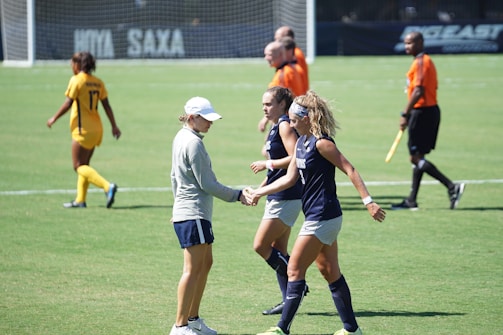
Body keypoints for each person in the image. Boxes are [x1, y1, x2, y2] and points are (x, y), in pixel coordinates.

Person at [246, 90, 386, 335]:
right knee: (329, 271)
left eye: (293, 119)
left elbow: (350, 169)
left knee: (294, 269)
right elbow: (290, 179)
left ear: (306, 118)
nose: (289, 123)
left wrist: (369, 202)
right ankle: (352, 330)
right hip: (318, 215)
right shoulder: (301, 142)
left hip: (324, 216)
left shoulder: (323, 143)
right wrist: (261, 192)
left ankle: (282, 329)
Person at [170, 96, 249, 335]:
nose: (210, 123)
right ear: (192, 118)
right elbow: (208, 184)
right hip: (193, 214)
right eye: (206, 119)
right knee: (192, 269)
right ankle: (181, 325)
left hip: (192, 213)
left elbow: (174, 177)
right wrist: (237, 195)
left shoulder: (182, 137)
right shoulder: (193, 144)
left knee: (205, 263)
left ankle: (192, 320)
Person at [391, 31, 465, 210]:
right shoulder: (421, 61)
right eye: (406, 43)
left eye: (410, 43)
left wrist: (405, 114)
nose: (407, 46)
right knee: (419, 157)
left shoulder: (422, 62)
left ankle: (452, 186)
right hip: (426, 112)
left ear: (420, 43)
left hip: (423, 112)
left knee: (415, 158)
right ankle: (411, 200)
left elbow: (419, 90)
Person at [250, 87, 304, 316]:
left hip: (287, 196)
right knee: (278, 249)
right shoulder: (276, 126)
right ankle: (288, 299)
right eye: (263, 104)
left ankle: (297, 285)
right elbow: (275, 173)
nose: (264, 108)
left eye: (269, 104)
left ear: (283, 104)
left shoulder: (284, 125)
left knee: (260, 246)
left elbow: (295, 156)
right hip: (279, 193)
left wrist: (267, 164)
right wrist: (257, 191)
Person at [47, 51, 121, 209]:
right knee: (85, 164)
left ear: (78, 64)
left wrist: (54, 118)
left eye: (73, 63)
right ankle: (80, 200)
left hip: (83, 130)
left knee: (78, 166)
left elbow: (68, 103)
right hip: (97, 129)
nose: (71, 66)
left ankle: (108, 187)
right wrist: (114, 126)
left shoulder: (76, 81)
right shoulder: (98, 82)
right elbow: (106, 105)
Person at [259, 41, 306, 133]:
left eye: (269, 55)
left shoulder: (284, 74)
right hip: (296, 117)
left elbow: (279, 100)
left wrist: (265, 120)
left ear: (280, 54)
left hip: (287, 120)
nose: (266, 58)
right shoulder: (293, 68)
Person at [274, 26, 309, 90]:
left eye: (279, 39)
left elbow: (296, 78)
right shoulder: (295, 53)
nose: (276, 42)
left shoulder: (296, 54)